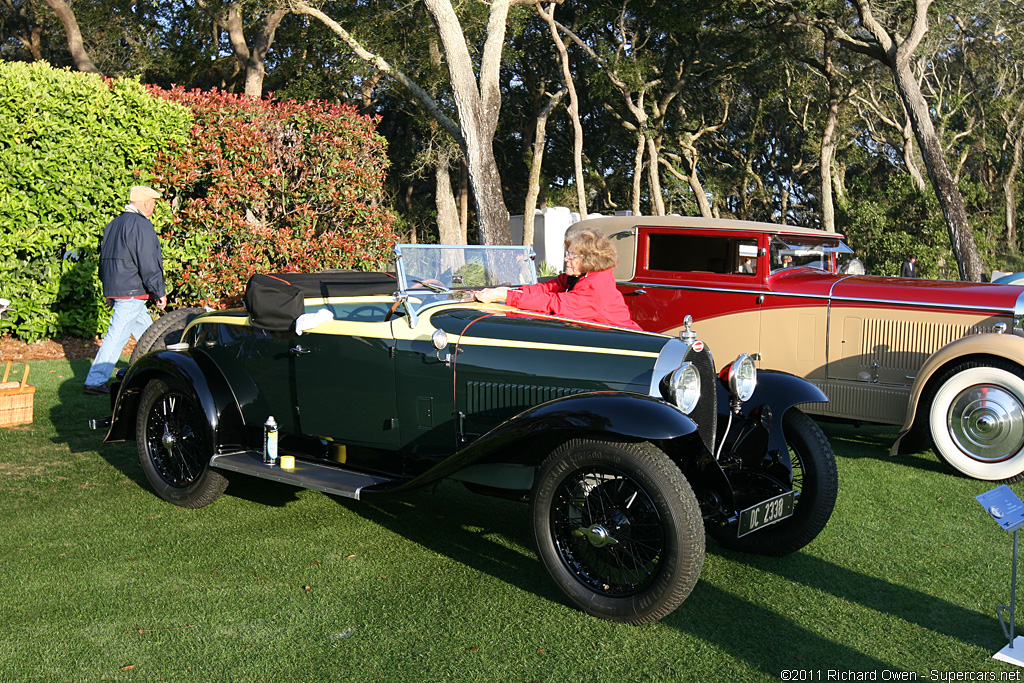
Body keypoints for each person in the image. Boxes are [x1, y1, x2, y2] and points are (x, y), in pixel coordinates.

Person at [84, 186, 167, 394]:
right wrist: (159, 290)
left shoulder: (114, 224)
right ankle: (95, 380)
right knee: (117, 335)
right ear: (146, 203)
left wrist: (108, 291)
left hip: (119, 289)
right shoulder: (142, 226)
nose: (154, 206)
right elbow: (148, 262)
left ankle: (159, 369)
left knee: (151, 335)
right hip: (132, 291)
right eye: (154, 203)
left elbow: (105, 261)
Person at [473, 225, 641, 329]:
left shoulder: (594, 286)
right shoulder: (581, 276)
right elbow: (548, 288)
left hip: (620, 345)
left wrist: (508, 296)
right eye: (568, 253)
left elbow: (555, 304)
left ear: (590, 259)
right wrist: (511, 291)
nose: (566, 259)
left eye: (573, 255)